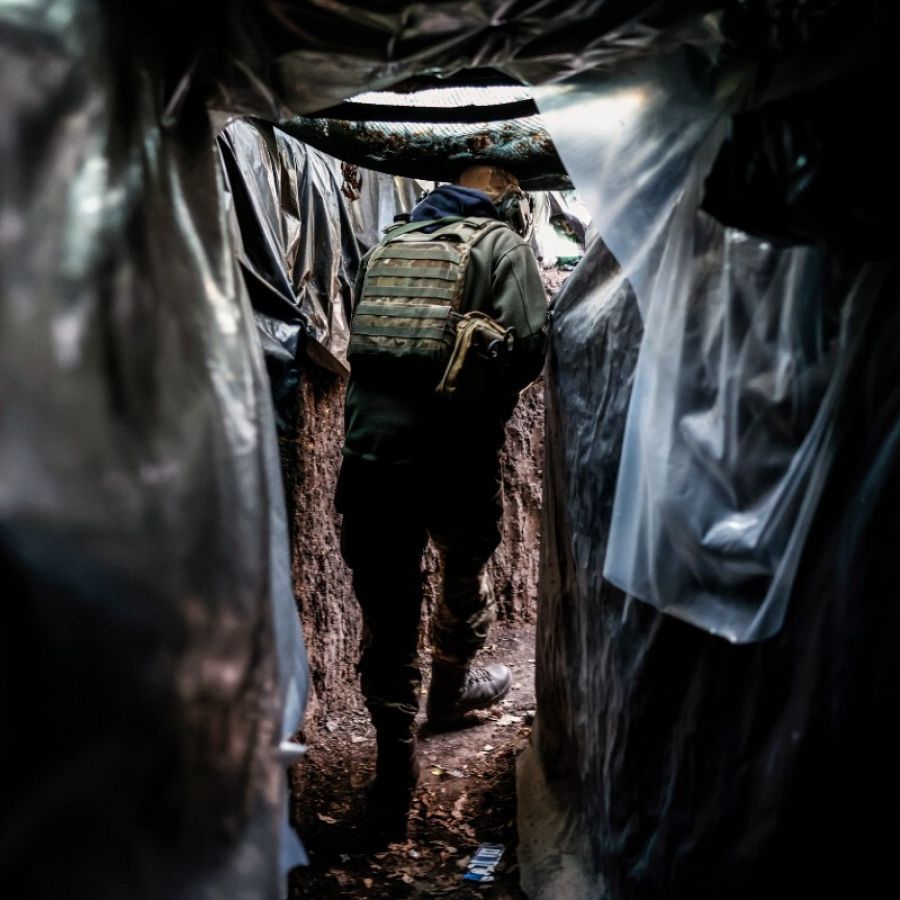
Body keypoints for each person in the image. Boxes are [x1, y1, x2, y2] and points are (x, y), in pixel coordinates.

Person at [335, 164, 548, 841]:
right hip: (453, 457)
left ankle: (394, 773)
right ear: (508, 201)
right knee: (464, 567)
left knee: (387, 612)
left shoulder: (387, 242)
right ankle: (450, 690)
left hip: (370, 459)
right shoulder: (501, 245)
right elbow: (530, 347)